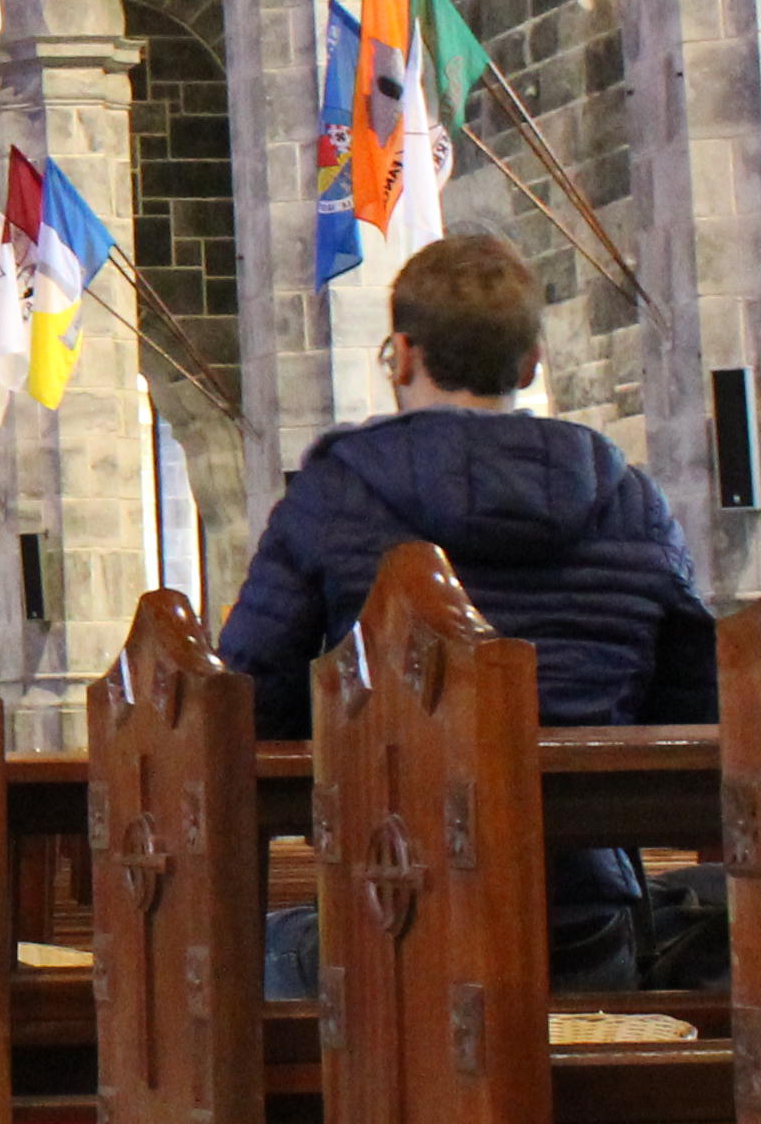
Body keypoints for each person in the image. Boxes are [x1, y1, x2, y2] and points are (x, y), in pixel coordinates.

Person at [216, 236, 719, 992]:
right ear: (529, 365)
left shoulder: (333, 494)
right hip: (581, 928)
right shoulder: (631, 502)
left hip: (389, 910)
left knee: (226, 959)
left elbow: (251, 702)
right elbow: (695, 703)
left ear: (403, 356)